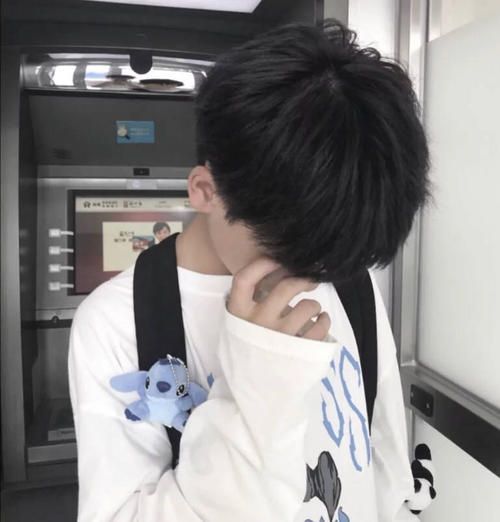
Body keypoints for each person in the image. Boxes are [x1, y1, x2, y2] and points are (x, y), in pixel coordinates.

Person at [68, 19, 430, 522]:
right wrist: (256, 388)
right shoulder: (115, 323)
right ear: (205, 191)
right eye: (289, 250)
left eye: (329, 258)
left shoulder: (348, 277)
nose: (313, 275)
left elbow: (382, 456)